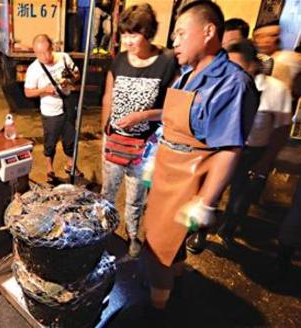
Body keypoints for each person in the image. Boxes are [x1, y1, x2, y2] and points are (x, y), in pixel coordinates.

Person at [142, 0, 259, 311]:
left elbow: (229, 148)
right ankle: (174, 293)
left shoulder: (231, 82)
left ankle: (156, 311)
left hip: (187, 179)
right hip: (168, 169)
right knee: (169, 245)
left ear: (208, 31)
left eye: (181, 33)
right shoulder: (187, 73)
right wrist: (157, 154)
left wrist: (206, 202)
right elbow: (176, 122)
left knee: (157, 250)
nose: (173, 41)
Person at [187, 40, 292, 253]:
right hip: (219, 149)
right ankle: (200, 232)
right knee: (211, 193)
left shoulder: (276, 91)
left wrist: (265, 163)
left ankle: (227, 230)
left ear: (253, 65)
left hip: (252, 153)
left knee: (240, 199)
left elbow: (281, 131)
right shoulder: (221, 84)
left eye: (237, 65)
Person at [101, 3, 178, 258]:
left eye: (134, 34)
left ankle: (133, 235)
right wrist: (105, 131)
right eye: (124, 34)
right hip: (114, 141)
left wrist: (144, 115)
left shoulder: (167, 62)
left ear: (148, 33)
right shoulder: (120, 60)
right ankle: (104, 231)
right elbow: (108, 97)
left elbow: (175, 107)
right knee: (107, 193)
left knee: (136, 196)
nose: (127, 40)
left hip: (144, 146)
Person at [24, 34, 82, 183]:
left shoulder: (64, 58)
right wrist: (44, 90)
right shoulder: (34, 69)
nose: (45, 56)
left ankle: (70, 163)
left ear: (52, 48)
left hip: (68, 104)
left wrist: (69, 79)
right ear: (35, 53)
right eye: (40, 53)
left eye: (48, 51)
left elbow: (77, 74)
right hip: (50, 111)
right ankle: (49, 168)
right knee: (50, 140)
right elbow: (28, 92)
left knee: (70, 137)